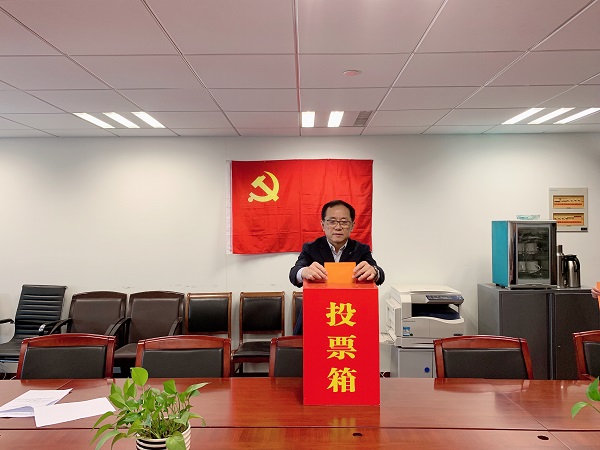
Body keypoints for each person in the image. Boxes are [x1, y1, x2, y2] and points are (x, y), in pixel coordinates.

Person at [289, 199, 385, 335]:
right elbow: (294, 273)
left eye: (344, 222)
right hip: (317, 314)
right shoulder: (311, 248)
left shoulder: (361, 249)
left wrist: (374, 271)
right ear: (323, 224)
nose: (338, 227)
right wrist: (304, 271)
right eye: (332, 221)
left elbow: (380, 274)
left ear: (352, 226)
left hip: (350, 315)